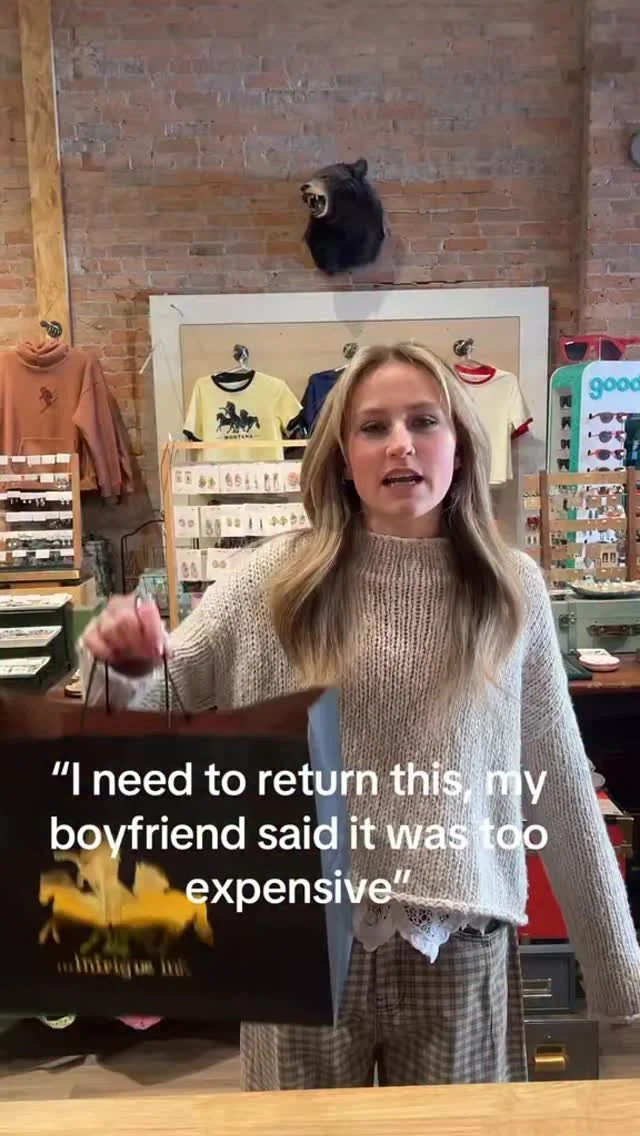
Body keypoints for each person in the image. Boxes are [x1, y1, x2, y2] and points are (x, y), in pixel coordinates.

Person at [79, 342, 640, 1090]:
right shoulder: (270, 580)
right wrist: (119, 664)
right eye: (374, 427)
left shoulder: (511, 589)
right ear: (343, 457)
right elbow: (151, 704)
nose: (401, 443)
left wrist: (616, 970)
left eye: (424, 421)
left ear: (461, 444)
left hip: (457, 942)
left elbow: (560, 779)